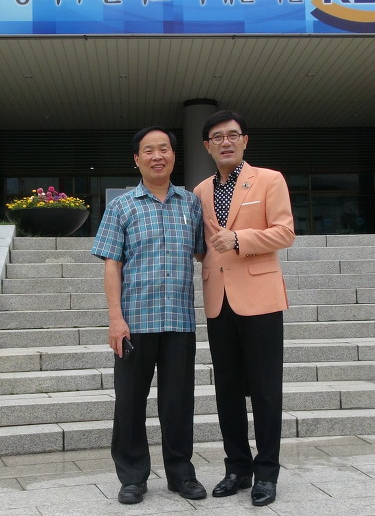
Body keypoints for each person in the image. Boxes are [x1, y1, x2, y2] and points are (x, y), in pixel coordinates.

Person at [90, 126, 207, 505]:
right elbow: (112, 265)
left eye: (164, 149)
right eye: (149, 150)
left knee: (178, 403)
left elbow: (204, 253)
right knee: (129, 402)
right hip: (134, 324)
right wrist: (115, 318)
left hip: (179, 323)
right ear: (137, 159)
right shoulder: (122, 206)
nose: (158, 156)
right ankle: (132, 477)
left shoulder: (191, 204)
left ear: (173, 155)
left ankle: (181, 474)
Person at [193, 110, 295, 507]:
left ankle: (266, 472)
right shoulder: (200, 191)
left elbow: (285, 231)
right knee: (228, 390)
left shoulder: (269, 179)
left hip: (260, 298)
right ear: (207, 146)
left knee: (266, 390)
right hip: (218, 300)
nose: (226, 142)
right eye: (217, 137)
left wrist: (239, 239)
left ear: (245, 141)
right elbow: (201, 244)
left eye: (232, 135)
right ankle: (237, 467)